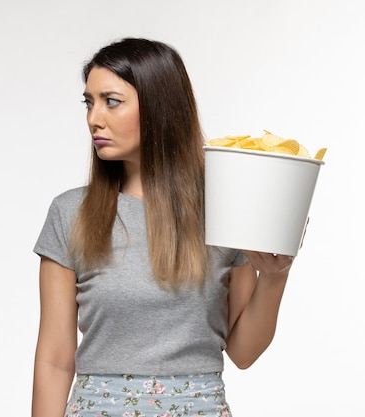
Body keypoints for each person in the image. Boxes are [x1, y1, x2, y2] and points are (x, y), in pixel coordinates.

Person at [31, 37, 296, 417]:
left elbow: (243, 352)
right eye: (89, 102)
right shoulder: (70, 212)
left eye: (112, 101)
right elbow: (55, 360)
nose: (93, 118)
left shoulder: (225, 209)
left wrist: (276, 276)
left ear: (160, 108)